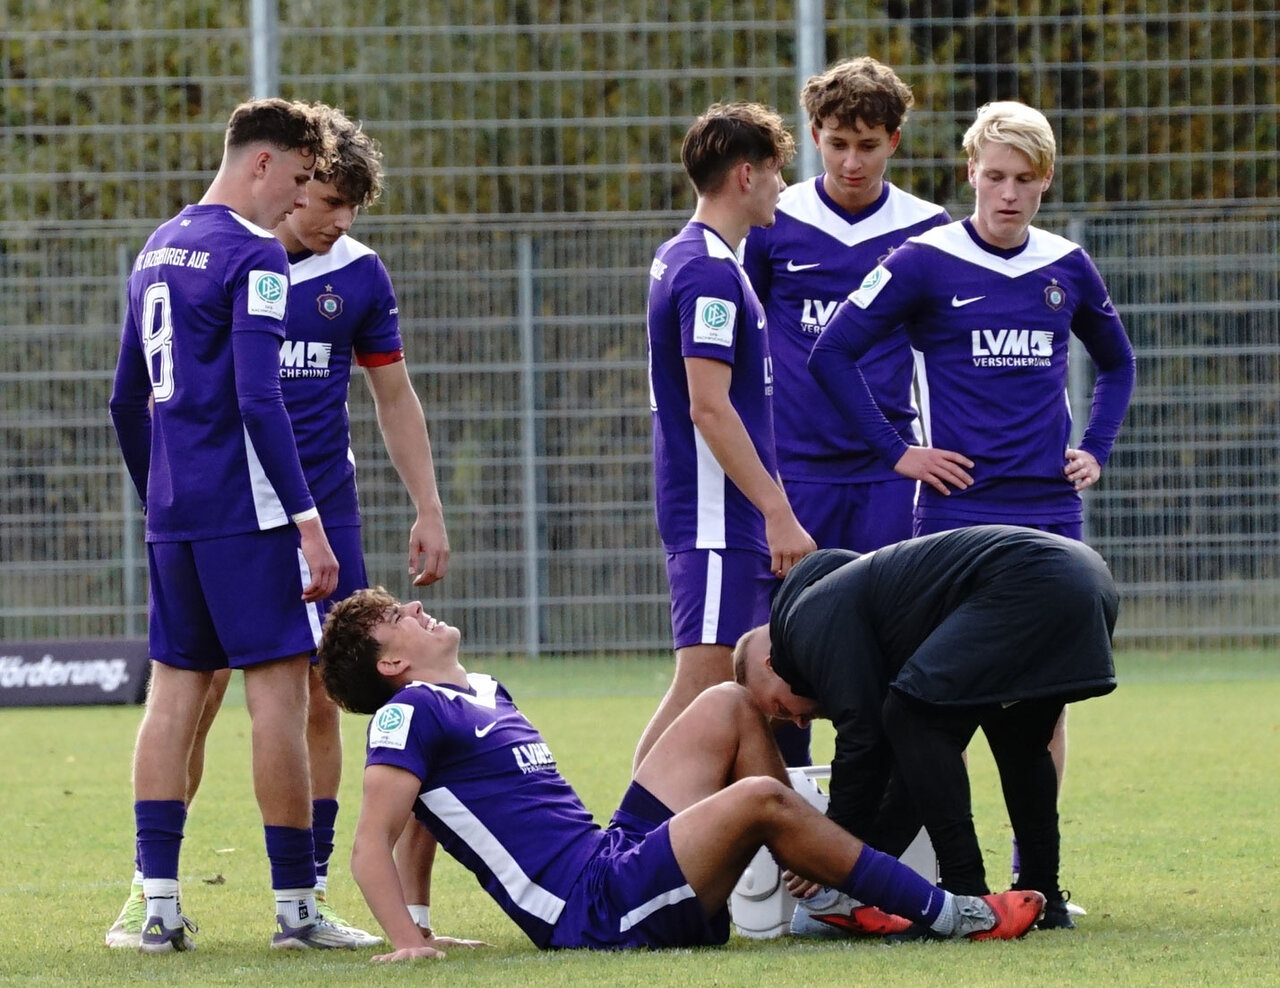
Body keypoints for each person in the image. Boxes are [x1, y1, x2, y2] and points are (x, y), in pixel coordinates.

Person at [105, 106, 451, 949]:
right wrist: (304, 521)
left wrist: (161, 494)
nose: (322, 210)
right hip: (266, 511)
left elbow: (126, 398)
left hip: (194, 508)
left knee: (246, 692)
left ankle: (176, 899)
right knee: (253, 694)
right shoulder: (253, 255)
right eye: (311, 187)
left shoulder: (162, 245)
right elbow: (259, 401)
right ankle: (290, 905)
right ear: (272, 171)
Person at [315, 586, 1046, 960]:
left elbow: (430, 818)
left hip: (609, 857)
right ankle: (957, 914)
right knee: (760, 797)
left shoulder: (480, 693)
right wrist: (408, 943)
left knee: (727, 701)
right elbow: (375, 836)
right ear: (392, 665)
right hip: (591, 912)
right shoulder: (405, 712)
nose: (413, 606)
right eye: (396, 617)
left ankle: (817, 892)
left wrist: (422, 919)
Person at [807, 99, 1136, 892]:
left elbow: (1118, 363)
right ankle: (938, 877)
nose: (1009, 193)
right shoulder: (924, 260)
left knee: (1042, 704)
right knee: (939, 701)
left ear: (1045, 181)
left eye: (1025, 179)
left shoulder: (1067, 265)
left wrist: (1093, 449)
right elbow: (832, 352)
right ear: (970, 174)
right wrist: (899, 453)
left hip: (1051, 516)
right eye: (994, 176)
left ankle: (1035, 876)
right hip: (955, 515)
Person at [734, 525, 1119, 933]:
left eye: (778, 707)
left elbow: (864, 736)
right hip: (1083, 578)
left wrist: (826, 846)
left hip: (1031, 579)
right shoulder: (863, 606)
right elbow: (906, 768)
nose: (796, 720)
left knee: (911, 717)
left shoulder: (805, 620)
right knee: (1017, 741)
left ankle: (966, 896)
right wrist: (856, 871)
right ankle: (1044, 897)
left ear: (770, 664)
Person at [741, 57, 949, 767]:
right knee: (785, 652)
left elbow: (944, 354)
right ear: (814, 135)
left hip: (890, 472)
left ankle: (883, 834)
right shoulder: (775, 221)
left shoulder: (928, 229)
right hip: (792, 470)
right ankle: (787, 829)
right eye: (836, 142)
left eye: (867, 143)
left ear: (895, 140)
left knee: (893, 651)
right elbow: (741, 342)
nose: (851, 160)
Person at [636, 101, 816, 772]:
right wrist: (777, 512)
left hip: (725, 516)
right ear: (746, 174)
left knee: (727, 691)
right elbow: (708, 408)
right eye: (775, 171)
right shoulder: (708, 270)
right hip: (714, 518)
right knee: (705, 685)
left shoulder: (704, 259)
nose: (781, 186)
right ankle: (620, 851)